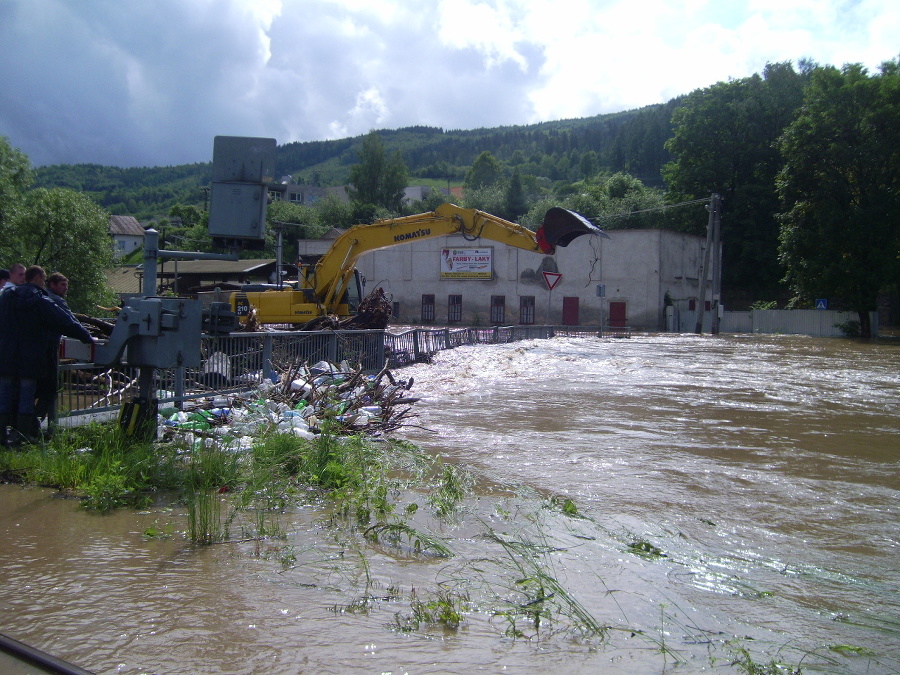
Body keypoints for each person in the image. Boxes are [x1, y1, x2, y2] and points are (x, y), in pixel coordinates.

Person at [0, 265, 95, 446]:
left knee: (4, 395)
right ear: (37, 279)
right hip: (30, 357)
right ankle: (23, 435)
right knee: (26, 396)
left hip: (5, 355)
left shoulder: (6, 297)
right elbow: (65, 321)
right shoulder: (41, 300)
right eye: (43, 280)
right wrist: (86, 337)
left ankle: (2, 437)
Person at [34, 272, 78, 427]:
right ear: (52, 285)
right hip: (49, 348)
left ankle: (23, 421)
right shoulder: (55, 301)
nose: (65, 288)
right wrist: (87, 337)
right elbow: (71, 322)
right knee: (51, 387)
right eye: (63, 285)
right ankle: (36, 421)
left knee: (32, 386)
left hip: (35, 348)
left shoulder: (39, 297)